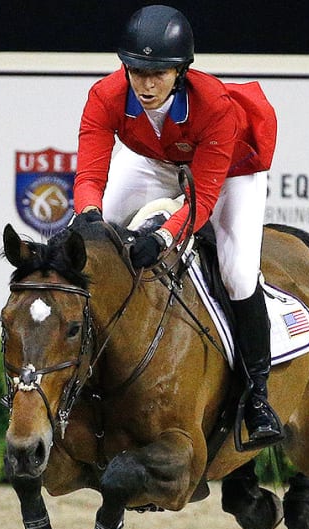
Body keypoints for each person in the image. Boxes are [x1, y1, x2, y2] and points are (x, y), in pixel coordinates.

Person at [72, 4, 283, 448]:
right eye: (137, 71)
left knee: (238, 274)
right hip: (155, 159)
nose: (147, 85)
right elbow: (90, 177)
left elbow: (202, 199)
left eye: (159, 74)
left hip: (231, 172)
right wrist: (88, 217)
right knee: (100, 233)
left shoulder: (215, 107)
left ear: (181, 72)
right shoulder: (105, 96)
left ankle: (258, 397)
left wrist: (163, 236)